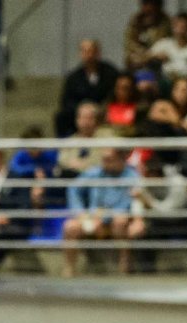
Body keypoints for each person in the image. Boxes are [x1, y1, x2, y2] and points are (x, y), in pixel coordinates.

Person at [63, 148, 144, 278]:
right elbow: (73, 189)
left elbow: (128, 203)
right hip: (92, 218)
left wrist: (104, 218)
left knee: (120, 221)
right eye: (103, 160)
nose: (105, 163)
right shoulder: (95, 173)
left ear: (121, 159)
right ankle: (69, 269)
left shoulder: (131, 176)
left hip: (115, 220)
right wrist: (81, 214)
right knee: (70, 227)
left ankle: (124, 266)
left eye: (109, 160)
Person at [55, 39, 119, 137]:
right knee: (61, 117)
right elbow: (66, 100)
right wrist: (82, 109)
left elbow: (115, 94)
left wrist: (100, 108)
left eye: (91, 51)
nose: (89, 55)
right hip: (81, 112)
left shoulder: (111, 73)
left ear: (98, 53)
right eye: (85, 51)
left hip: (104, 110)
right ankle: (65, 146)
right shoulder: (73, 77)